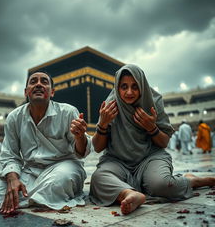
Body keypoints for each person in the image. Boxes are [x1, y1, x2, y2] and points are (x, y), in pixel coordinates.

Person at [90, 64, 215, 215]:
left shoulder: (153, 102)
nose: (129, 92)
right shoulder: (110, 106)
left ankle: (193, 181)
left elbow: (163, 143)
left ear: (142, 86)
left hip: (149, 158)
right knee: (98, 179)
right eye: (124, 87)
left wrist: (151, 127)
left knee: (163, 184)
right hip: (117, 161)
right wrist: (102, 124)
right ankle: (129, 194)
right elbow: (97, 147)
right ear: (117, 87)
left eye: (135, 86)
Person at [0, 71, 91, 213]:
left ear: (52, 93)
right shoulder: (14, 117)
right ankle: (36, 198)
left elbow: (81, 152)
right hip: (31, 171)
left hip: (64, 166)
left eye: (44, 82)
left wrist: (80, 137)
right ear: (26, 92)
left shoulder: (67, 112)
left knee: (58, 181)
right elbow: (10, 155)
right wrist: (13, 178)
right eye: (33, 82)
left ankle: (31, 198)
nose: (38, 84)